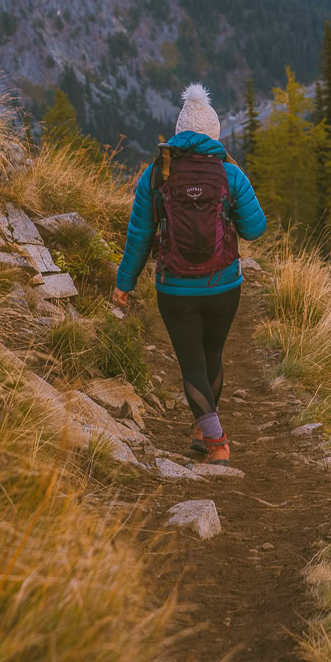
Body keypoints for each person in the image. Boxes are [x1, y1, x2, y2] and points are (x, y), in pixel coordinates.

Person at [112, 83, 266, 463]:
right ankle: (207, 429)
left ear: (179, 134)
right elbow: (255, 228)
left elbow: (140, 234)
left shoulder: (155, 175)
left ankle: (214, 441)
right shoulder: (230, 174)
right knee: (211, 354)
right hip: (224, 286)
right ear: (214, 135)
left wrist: (124, 283)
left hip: (175, 289)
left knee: (191, 363)